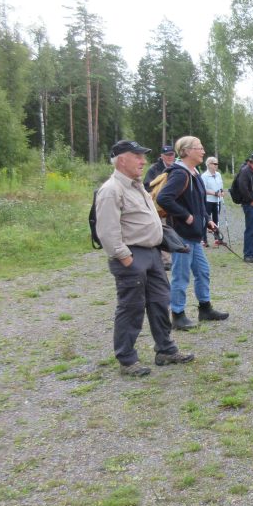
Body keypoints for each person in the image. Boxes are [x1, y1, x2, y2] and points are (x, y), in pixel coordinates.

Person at [94, 140, 194, 377]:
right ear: (121, 160)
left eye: (142, 155)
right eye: (136, 156)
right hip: (131, 255)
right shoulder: (111, 190)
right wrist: (125, 258)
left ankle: (166, 350)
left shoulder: (137, 186)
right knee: (131, 308)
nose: (143, 161)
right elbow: (107, 232)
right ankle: (127, 360)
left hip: (151, 254)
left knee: (160, 302)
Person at [156, 136, 229, 330]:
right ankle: (178, 315)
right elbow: (164, 198)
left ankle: (205, 309)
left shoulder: (194, 173)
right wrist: (187, 217)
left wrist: (207, 219)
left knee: (203, 272)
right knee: (181, 276)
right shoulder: (180, 174)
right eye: (199, 148)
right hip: (182, 235)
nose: (203, 151)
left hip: (194, 235)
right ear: (187, 151)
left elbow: (197, 201)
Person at [202, 156, 224, 247]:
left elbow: (221, 186)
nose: (216, 165)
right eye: (214, 163)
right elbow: (203, 189)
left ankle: (217, 239)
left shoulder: (218, 174)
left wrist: (221, 192)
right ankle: (204, 240)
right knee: (206, 220)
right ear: (209, 164)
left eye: (217, 163)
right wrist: (214, 193)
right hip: (208, 200)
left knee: (216, 219)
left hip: (217, 200)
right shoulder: (204, 176)